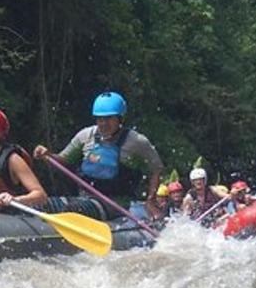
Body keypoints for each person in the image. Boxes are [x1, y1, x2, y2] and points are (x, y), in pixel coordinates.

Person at [33, 91, 164, 220]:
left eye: (109, 119)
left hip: (116, 204)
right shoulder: (85, 135)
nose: (103, 123)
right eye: (100, 119)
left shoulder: (137, 141)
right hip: (84, 198)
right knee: (42, 204)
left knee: (75, 209)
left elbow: (156, 170)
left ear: (120, 119)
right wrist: (48, 156)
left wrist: (150, 201)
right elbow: (63, 160)